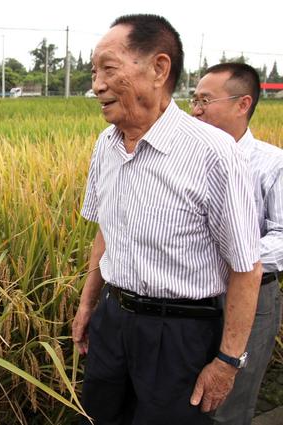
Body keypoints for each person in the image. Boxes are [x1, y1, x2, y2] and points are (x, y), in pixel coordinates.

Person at [71, 14, 263, 425]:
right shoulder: (105, 146)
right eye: (93, 72)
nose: (97, 85)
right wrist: (88, 305)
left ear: (159, 68)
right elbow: (106, 232)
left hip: (180, 334)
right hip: (113, 321)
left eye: (109, 69)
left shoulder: (214, 153)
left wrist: (228, 360)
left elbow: (246, 267)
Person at [191, 63, 283, 425]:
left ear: (242, 104)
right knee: (187, 394)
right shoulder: (190, 161)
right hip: (192, 294)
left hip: (250, 296)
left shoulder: (272, 164)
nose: (194, 110)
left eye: (204, 100)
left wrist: (235, 259)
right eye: (194, 100)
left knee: (229, 400)